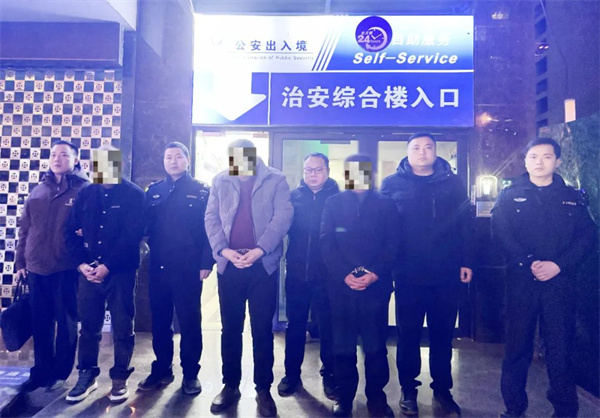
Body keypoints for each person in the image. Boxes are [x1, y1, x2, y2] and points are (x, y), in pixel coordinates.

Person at [492, 138, 597, 418]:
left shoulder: (572, 197)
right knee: (516, 348)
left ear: (558, 161)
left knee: (560, 350)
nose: (539, 162)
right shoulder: (509, 196)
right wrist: (529, 263)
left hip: (559, 283)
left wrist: (558, 265)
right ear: (526, 161)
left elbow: (587, 237)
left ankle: (564, 410)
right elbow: (500, 233)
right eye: (533, 157)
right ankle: (514, 408)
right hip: (521, 282)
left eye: (547, 156)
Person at [380, 133, 473, 417]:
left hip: (446, 272)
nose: (422, 152)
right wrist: (386, 265)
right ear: (407, 152)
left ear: (436, 151)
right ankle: (408, 389)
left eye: (428, 147)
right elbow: (383, 228)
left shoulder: (453, 183)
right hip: (408, 273)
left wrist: (467, 261)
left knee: (442, 336)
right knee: (407, 335)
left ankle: (442, 391)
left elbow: (465, 224)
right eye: (416, 148)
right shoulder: (392, 184)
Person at [205, 139, 293, 417]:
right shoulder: (220, 180)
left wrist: (260, 250)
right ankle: (230, 385)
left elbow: (283, 216)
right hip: (230, 265)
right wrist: (224, 251)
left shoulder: (276, 179)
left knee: (262, 330)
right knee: (230, 328)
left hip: (262, 266)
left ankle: (263, 389)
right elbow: (211, 218)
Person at [64, 147, 145, 404]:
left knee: (122, 326)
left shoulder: (134, 194)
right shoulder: (86, 193)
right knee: (88, 327)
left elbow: (131, 236)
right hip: (88, 272)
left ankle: (120, 378)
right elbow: (69, 232)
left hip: (121, 272)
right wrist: (81, 265)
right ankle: (87, 375)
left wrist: (107, 266)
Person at [321, 154, 398, 418]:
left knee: (375, 346)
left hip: (375, 287)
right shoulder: (333, 203)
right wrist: (345, 274)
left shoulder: (386, 204)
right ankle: (344, 398)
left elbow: (393, 244)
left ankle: (376, 398)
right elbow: (326, 242)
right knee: (342, 346)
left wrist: (374, 273)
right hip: (341, 287)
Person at [139, 142, 214, 395]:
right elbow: (144, 226)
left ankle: (191, 373)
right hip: (159, 266)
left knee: (189, 321)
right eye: (168, 157)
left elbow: (209, 229)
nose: (173, 161)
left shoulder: (201, 190)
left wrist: (206, 262)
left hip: (188, 267)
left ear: (188, 160)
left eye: (178, 156)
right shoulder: (154, 191)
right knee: (160, 321)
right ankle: (162, 368)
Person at [15, 140, 89, 392]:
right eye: (54, 154)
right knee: (40, 322)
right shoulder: (39, 190)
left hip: (66, 266)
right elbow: (25, 229)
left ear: (75, 160)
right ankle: (41, 372)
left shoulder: (84, 190)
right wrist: (20, 261)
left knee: (66, 322)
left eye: (64, 155)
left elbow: (94, 226)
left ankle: (61, 373)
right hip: (36, 266)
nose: (57, 159)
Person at [278, 153, 339, 399]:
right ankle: (292, 375)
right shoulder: (292, 197)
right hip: (297, 274)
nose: (312, 174)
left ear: (327, 170)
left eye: (318, 169)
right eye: (308, 170)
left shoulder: (338, 198)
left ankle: (330, 374)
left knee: (329, 327)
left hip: (329, 276)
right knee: (295, 326)